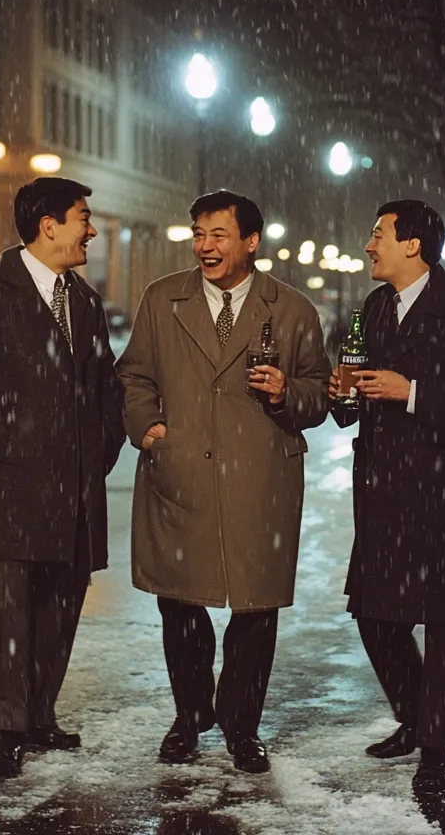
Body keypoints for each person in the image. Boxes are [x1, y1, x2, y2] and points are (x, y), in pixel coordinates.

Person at [118, 190, 329, 774]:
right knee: (180, 604)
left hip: (260, 481)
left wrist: (288, 392)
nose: (205, 247)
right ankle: (189, 716)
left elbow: (320, 392)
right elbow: (133, 375)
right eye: (198, 234)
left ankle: (242, 727)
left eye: (219, 235)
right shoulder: (163, 300)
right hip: (180, 474)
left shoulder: (292, 310)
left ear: (251, 242)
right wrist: (147, 427)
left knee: (255, 611)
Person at [0, 177, 125, 778]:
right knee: (7, 613)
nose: (91, 230)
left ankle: (39, 715)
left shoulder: (83, 301)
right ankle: (6, 729)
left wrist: (101, 447)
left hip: (73, 489)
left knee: (60, 606)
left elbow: (106, 389)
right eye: (83, 218)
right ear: (48, 225)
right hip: (7, 488)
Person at [329, 199, 445, 793]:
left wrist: (413, 393)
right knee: (374, 615)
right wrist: (344, 393)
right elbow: (360, 395)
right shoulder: (374, 307)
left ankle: (437, 741)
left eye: (378, 234)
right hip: (383, 493)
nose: (369, 245)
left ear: (413, 245)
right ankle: (414, 716)